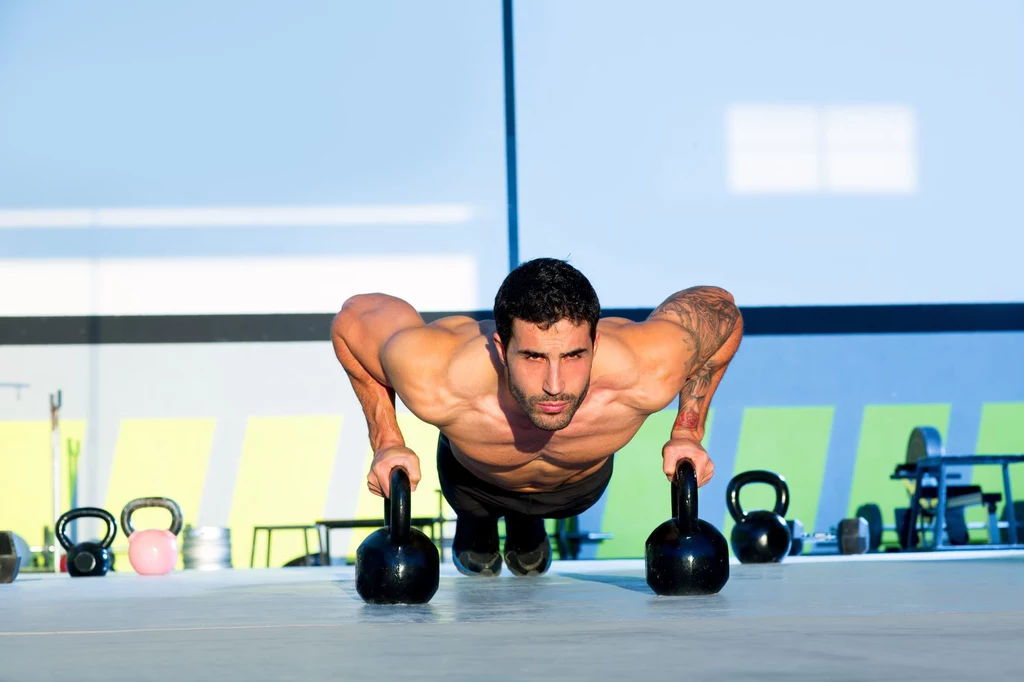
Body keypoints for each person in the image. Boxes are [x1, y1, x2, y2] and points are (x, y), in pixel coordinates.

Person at [331, 257, 743, 577]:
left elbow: (723, 311)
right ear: (500, 345)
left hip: (576, 489)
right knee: (477, 529)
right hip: (475, 483)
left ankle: (529, 526)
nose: (554, 384)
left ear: (595, 342)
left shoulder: (647, 367)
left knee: (533, 528)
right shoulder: (436, 373)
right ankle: (479, 525)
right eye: (532, 356)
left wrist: (688, 429)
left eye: (574, 355)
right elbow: (353, 317)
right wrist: (387, 440)